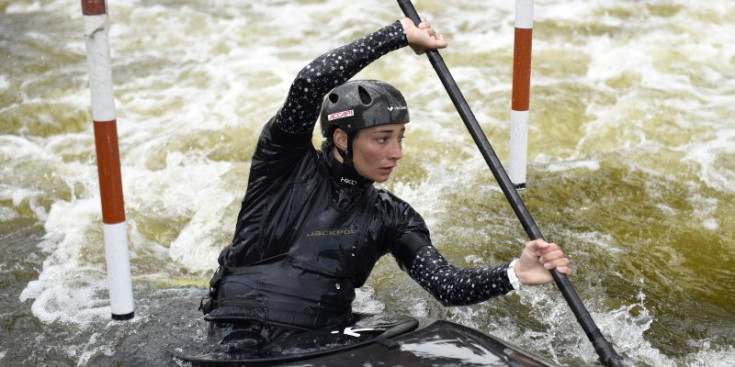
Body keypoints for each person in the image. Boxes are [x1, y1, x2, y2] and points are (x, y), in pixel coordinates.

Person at [200, 17, 571, 352]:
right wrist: (397, 35)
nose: (396, 152)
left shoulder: (392, 216)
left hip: (327, 338)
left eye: (400, 137)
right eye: (382, 139)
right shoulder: (283, 165)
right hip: (243, 335)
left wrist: (513, 273)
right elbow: (310, 83)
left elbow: (446, 285)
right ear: (343, 139)